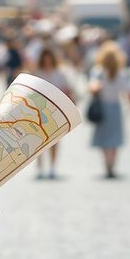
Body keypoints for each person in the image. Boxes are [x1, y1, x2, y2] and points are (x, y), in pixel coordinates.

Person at [88, 41, 130, 178]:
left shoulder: (98, 71)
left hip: (103, 106)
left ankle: (107, 163)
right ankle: (112, 164)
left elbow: (92, 87)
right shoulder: (121, 73)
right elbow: (126, 91)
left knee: (104, 137)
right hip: (115, 107)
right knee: (114, 138)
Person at [33, 49, 73, 180]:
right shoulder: (37, 73)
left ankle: (52, 167)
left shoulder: (59, 74)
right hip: (40, 111)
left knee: (55, 141)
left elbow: (67, 89)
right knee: (39, 141)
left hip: (56, 111)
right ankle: (39, 168)